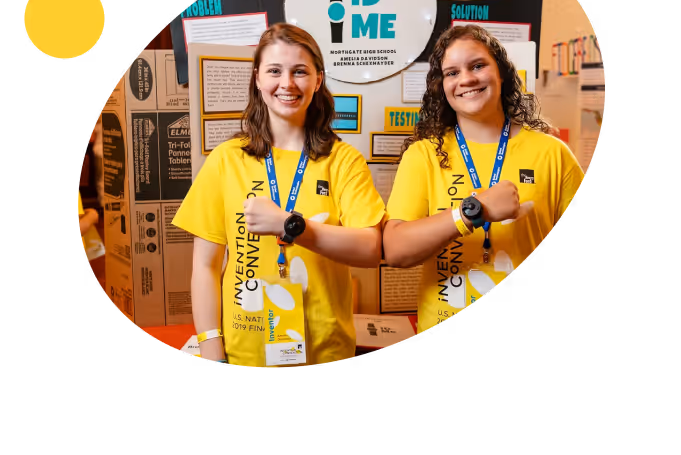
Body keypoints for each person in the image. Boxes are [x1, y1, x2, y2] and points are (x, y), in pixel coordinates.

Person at [172, 23, 385, 366]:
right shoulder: (226, 159)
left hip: (326, 350)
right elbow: (205, 266)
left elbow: (370, 249)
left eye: (299, 71)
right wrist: (211, 348)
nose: (286, 83)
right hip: (243, 351)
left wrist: (290, 224)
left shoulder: (343, 160)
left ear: (317, 80)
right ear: (258, 78)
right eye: (275, 71)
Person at [382, 24, 584, 332]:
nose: (466, 79)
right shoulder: (424, 155)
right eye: (451, 72)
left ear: (501, 73)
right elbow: (395, 250)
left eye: (478, 65)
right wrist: (470, 212)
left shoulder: (552, 154)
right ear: (442, 86)